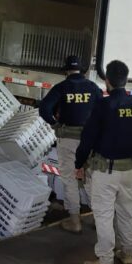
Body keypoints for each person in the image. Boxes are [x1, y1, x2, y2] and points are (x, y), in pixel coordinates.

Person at [74, 60, 132, 264]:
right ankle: (126, 253)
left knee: (104, 215)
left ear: (107, 81)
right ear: (126, 80)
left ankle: (106, 262)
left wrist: (79, 164)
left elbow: (87, 140)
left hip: (105, 172)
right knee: (126, 213)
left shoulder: (103, 106)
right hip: (129, 171)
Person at [39, 55, 102, 233]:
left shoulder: (61, 87)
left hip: (68, 139)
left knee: (70, 179)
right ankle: (100, 220)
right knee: (90, 179)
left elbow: (44, 109)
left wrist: (55, 125)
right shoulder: (92, 87)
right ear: (82, 70)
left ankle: (75, 221)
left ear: (66, 70)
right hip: (89, 141)